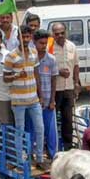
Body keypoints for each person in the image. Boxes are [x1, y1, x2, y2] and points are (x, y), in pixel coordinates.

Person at [4, 25, 44, 166]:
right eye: (23, 36)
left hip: (33, 99)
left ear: (31, 38)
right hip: (18, 101)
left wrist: (41, 95)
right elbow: (5, 78)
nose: (25, 39)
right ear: (18, 37)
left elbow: (37, 74)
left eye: (28, 37)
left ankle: (39, 158)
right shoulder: (11, 56)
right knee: (19, 132)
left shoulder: (34, 53)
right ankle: (20, 161)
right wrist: (17, 75)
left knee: (40, 128)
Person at [52, 23, 81, 149]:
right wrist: (58, 72)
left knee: (68, 119)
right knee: (52, 120)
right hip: (55, 90)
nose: (60, 35)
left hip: (68, 88)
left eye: (62, 33)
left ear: (66, 32)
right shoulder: (49, 47)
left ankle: (68, 146)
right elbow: (45, 67)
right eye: (57, 33)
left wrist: (76, 83)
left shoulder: (72, 46)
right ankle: (52, 146)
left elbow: (75, 66)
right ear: (53, 34)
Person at [34, 29, 59, 159]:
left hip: (48, 100)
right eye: (41, 43)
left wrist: (53, 100)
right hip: (34, 102)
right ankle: (34, 154)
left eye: (45, 43)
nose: (43, 46)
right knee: (35, 129)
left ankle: (53, 154)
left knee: (50, 130)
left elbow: (54, 79)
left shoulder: (51, 59)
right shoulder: (31, 58)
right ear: (35, 43)